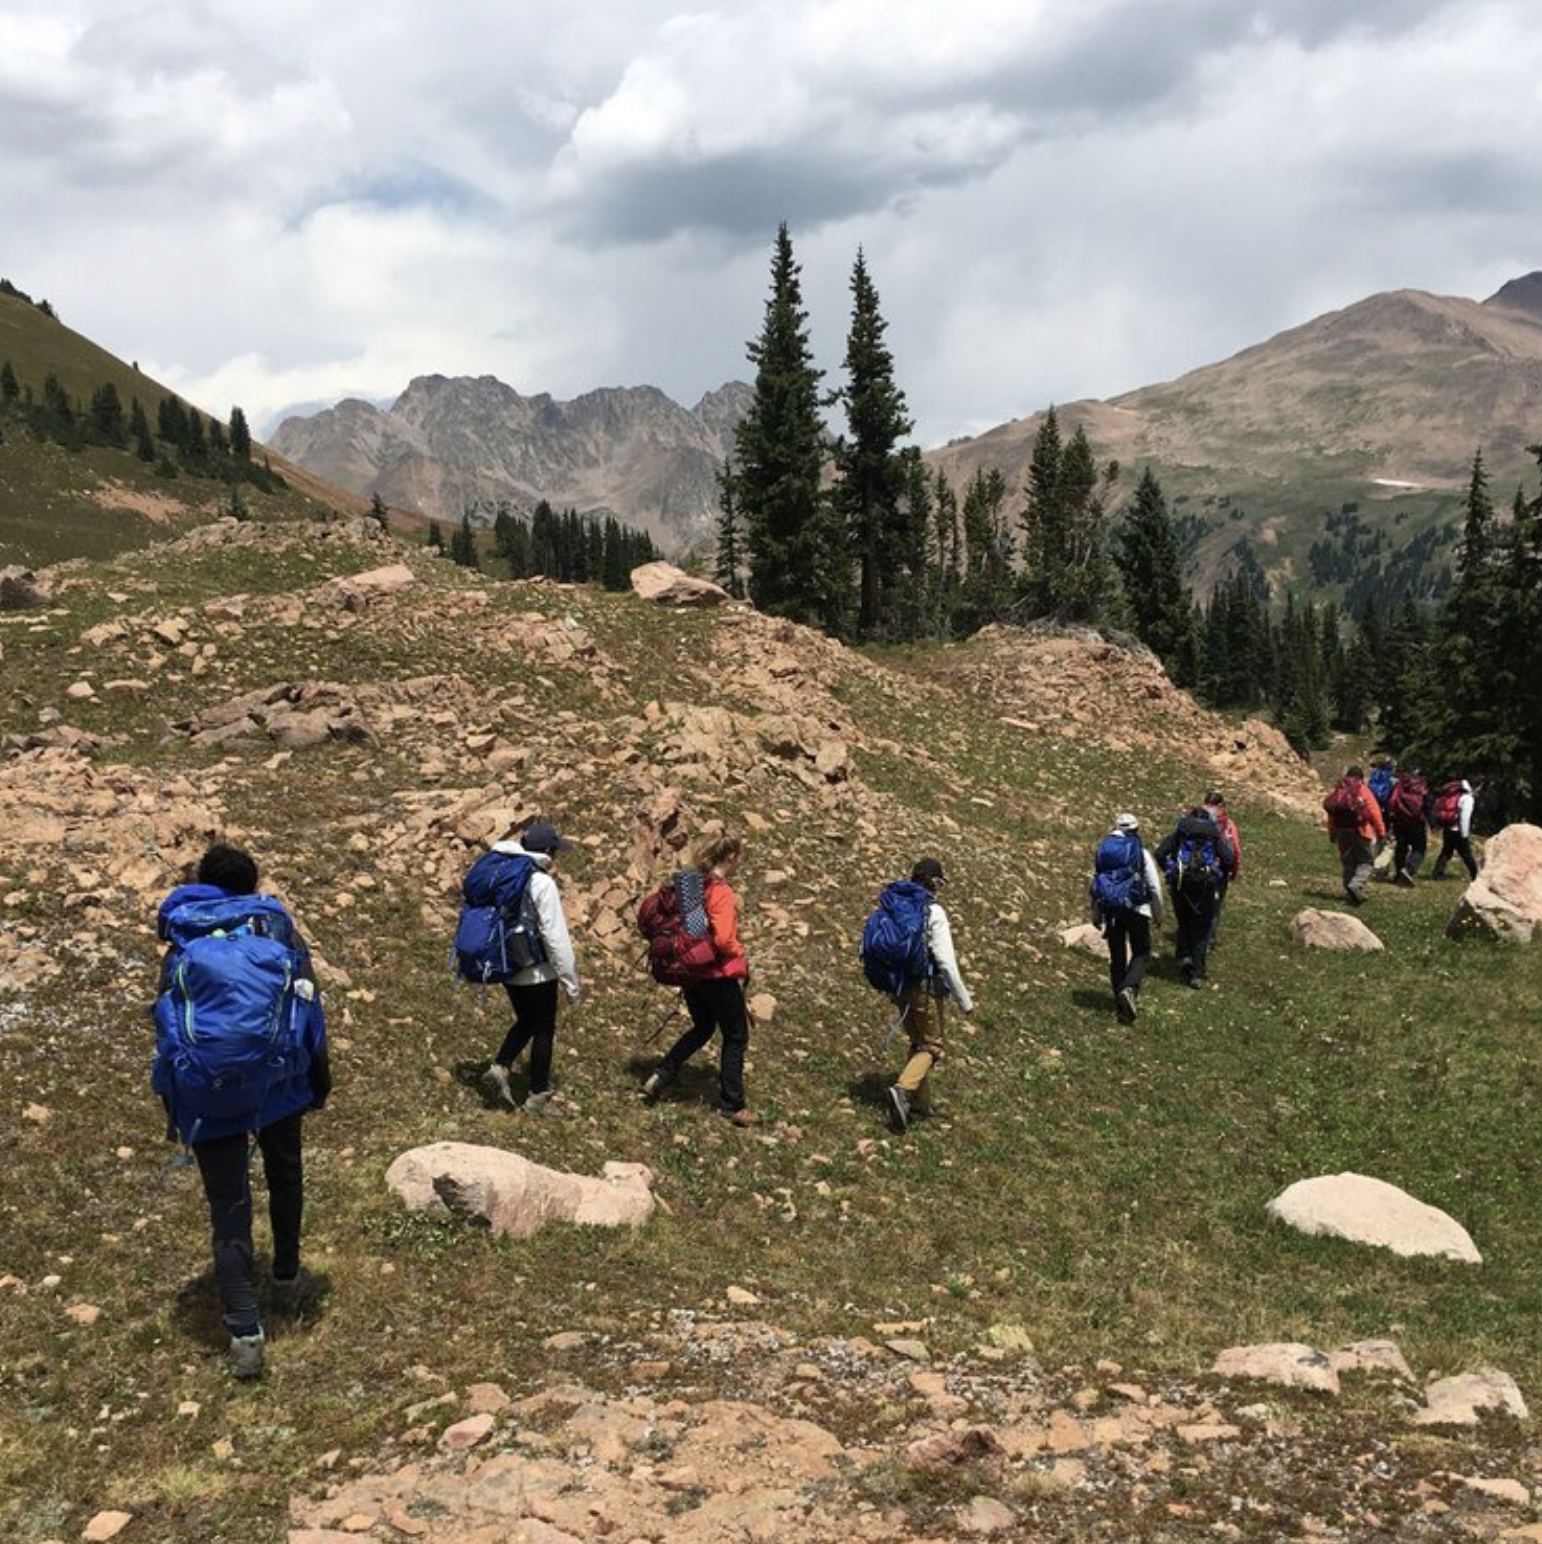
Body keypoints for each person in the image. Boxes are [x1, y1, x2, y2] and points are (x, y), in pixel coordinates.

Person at [151, 844, 330, 1380]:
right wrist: (317, 1078)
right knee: (285, 1176)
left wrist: (176, 1096)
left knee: (228, 1204)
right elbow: (308, 1004)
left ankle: (245, 1331)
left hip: (208, 1088)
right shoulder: (275, 929)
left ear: (204, 882)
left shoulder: (183, 936)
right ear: (254, 883)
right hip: (279, 1079)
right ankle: (287, 1276)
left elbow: (168, 1019)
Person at [643, 833, 757, 1126]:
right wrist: (740, 954)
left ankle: (662, 1074)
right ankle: (732, 1104)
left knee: (704, 1026)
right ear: (730, 857)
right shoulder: (719, 892)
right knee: (736, 1035)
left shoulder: (691, 887)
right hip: (716, 974)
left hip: (691, 973)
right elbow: (722, 939)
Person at [480, 822, 582, 1113]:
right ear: (549, 851)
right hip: (537, 970)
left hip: (506, 963)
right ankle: (537, 1096)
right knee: (544, 1029)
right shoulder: (541, 882)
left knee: (525, 1019)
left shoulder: (503, 875)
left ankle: (500, 1067)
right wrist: (570, 982)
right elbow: (555, 935)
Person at [884, 858, 973, 1132]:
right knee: (933, 1047)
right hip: (925, 987)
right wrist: (964, 1000)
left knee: (918, 1041)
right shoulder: (932, 911)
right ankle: (902, 1090)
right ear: (934, 882)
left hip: (900, 987)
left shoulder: (897, 905)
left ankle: (920, 1104)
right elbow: (945, 961)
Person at [1089, 814, 1164, 1023]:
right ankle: (1129, 989)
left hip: (1111, 910)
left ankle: (1120, 1005)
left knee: (1117, 957)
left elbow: (1096, 883)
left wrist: (1095, 913)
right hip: (1137, 909)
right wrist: (1159, 914)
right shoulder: (1140, 851)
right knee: (1142, 951)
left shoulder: (1103, 850)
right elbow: (1154, 887)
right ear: (1136, 830)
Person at [1155, 806, 1233, 988]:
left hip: (1181, 885)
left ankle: (1184, 958)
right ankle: (1197, 973)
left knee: (1184, 921)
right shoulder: (1213, 834)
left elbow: (1160, 853)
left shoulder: (1182, 831)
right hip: (1205, 886)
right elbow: (1228, 859)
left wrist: (1170, 870)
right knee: (1202, 927)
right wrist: (1218, 875)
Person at [1324, 763, 1385, 906]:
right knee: (1366, 862)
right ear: (1361, 778)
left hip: (1342, 831)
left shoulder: (1339, 790)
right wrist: (1381, 832)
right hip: (1360, 831)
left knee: (1348, 863)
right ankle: (1356, 885)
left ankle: (1349, 894)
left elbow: (1332, 815)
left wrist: (1332, 832)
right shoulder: (1362, 790)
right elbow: (1375, 813)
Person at [1202, 791, 1242, 953]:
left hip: (1196, 870)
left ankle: (1191, 940)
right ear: (1221, 806)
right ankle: (1208, 941)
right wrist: (1234, 871)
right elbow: (1236, 851)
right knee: (1214, 908)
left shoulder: (1195, 821)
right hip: (1219, 872)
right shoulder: (1228, 824)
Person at [1430, 778, 1481, 881]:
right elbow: (1464, 817)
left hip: (1448, 828)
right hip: (1458, 830)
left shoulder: (1454, 795)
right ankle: (1476, 875)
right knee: (1467, 854)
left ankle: (1437, 873)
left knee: (1446, 851)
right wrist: (1465, 834)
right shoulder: (1467, 798)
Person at [1388, 766, 1430, 886]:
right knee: (1419, 848)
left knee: (1401, 847)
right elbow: (1427, 805)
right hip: (1416, 822)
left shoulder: (1399, 784)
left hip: (1399, 820)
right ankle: (1408, 870)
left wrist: (1390, 818)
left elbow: (1391, 801)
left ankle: (1398, 874)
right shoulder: (1422, 785)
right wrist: (1431, 822)